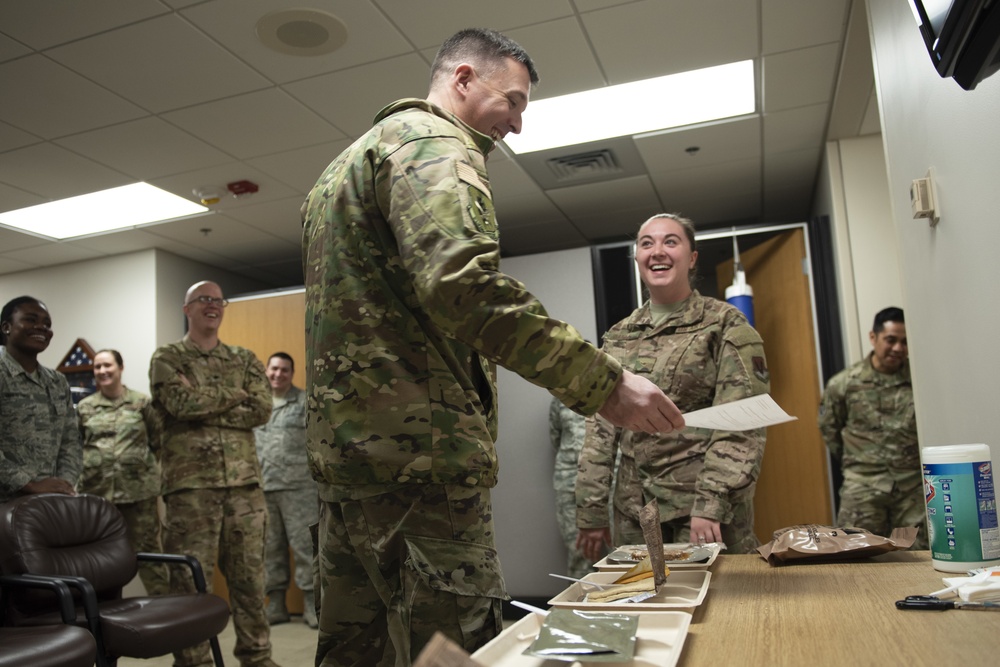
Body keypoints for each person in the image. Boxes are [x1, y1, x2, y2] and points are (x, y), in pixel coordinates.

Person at [301, 27, 685, 666]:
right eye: (512, 102)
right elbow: (465, 288)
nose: (517, 124)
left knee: (355, 653)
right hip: (420, 467)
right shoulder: (437, 148)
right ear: (462, 80)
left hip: (349, 467)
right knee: (458, 648)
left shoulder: (339, 170)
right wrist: (606, 383)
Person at [576, 214, 771, 560]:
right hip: (636, 513)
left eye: (671, 241)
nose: (657, 252)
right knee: (645, 604)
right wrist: (591, 511)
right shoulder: (620, 335)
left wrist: (711, 503)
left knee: (718, 607)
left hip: (702, 512)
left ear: (692, 258)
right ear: (637, 257)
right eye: (646, 243)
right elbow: (601, 429)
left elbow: (743, 421)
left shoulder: (724, 324)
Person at [148, 281, 281, 667]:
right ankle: (193, 661)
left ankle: (257, 657)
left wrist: (205, 400)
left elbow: (261, 409)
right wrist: (233, 395)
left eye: (218, 300)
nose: (212, 305)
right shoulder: (168, 357)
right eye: (203, 299)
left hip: (244, 488)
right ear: (186, 308)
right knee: (189, 582)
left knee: (251, 580)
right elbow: (177, 401)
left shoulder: (243, 358)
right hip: (191, 489)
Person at [818, 307, 925, 547]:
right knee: (854, 555)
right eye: (891, 340)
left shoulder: (919, 380)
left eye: (905, 342)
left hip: (911, 489)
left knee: (916, 555)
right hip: (863, 486)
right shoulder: (844, 384)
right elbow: (830, 430)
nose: (898, 348)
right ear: (873, 337)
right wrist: (860, 462)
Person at [77, 348, 168, 595]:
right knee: (97, 557)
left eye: (107, 365)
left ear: (120, 368)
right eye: (97, 367)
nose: (102, 371)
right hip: (97, 495)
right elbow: (76, 447)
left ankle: (164, 609)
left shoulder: (141, 402)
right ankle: (100, 609)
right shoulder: (84, 408)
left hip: (138, 493)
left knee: (149, 553)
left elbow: (158, 441)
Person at [254, 352, 319, 629]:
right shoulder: (255, 404)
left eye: (284, 370)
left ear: (292, 374)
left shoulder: (305, 402)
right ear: (266, 370)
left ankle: (311, 606)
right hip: (262, 488)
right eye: (274, 369)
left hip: (298, 489)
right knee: (270, 550)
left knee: (306, 549)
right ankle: (276, 606)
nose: (278, 374)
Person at [0, 296, 81, 504]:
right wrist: (28, 485)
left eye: (47, 324)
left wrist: (63, 484)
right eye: (31, 319)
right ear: (6, 327)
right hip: (5, 502)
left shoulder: (57, 381)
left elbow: (70, 441)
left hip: (49, 502)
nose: (42, 327)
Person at [549, 395, 595, 578]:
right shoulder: (561, 396)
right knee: (579, 552)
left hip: (613, 484)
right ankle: (578, 604)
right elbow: (556, 436)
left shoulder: (617, 392)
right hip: (569, 483)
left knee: (618, 553)